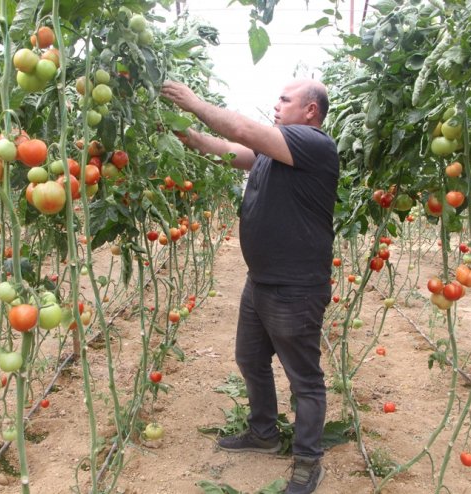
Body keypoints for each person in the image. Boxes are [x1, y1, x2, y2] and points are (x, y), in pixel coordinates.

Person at [161, 78, 338, 494]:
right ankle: (263, 432)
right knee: (250, 359)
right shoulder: (271, 154)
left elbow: (240, 130)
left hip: (295, 288)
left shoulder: (314, 144)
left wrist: (193, 101)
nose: (276, 105)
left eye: (285, 99)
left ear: (310, 111)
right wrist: (177, 128)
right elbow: (221, 148)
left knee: (305, 380)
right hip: (260, 282)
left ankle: (308, 460)